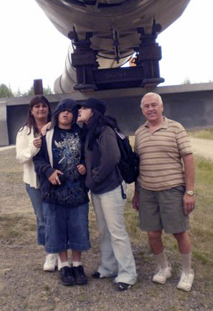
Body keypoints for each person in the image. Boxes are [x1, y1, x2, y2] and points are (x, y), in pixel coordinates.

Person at [132, 92, 195, 292]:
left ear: (162, 107)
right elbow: (138, 165)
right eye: (146, 106)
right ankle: (163, 267)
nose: (150, 109)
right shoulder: (139, 132)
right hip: (147, 191)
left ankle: (187, 271)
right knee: (152, 234)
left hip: (172, 190)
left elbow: (188, 158)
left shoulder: (176, 128)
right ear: (142, 110)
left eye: (154, 105)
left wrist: (190, 192)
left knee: (179, 231)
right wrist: (137, 192)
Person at [77, 98, 137, 291]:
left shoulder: (105, 130)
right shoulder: (89, 131)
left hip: (110, 188)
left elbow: (112, 158)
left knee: (117, 232)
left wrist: (93, 178)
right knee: (104, 231)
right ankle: (109, 267)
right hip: (98, 189)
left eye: (84, 108)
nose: (80, 110)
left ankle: (128, 274)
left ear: (93, 112)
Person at [34, 98, 90, 286]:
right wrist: (48, 172)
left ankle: (78, 265)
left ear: (74, 115)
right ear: (57, 113)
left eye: (70, 111)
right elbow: (38, 160)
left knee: (78, 227)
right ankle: (64, 265)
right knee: (56, 228)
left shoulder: (81, 133)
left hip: (77, 191)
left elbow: (87, 156)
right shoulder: (47, 134)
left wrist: (84, 166)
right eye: (62, 110)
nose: (66, 113)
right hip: (54, 192)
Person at [16, 95, 58, 271]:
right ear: (31, 111)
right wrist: (34, 146)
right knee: (42, 218)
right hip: (34, 183)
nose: (41, 109)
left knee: (55, 216)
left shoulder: (56, 128)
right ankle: (49, 252)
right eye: (37, 107)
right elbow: (20, 157)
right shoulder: (24, 132)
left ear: (48, 109)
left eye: (44, 106)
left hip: (55, 180)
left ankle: (59, 248)